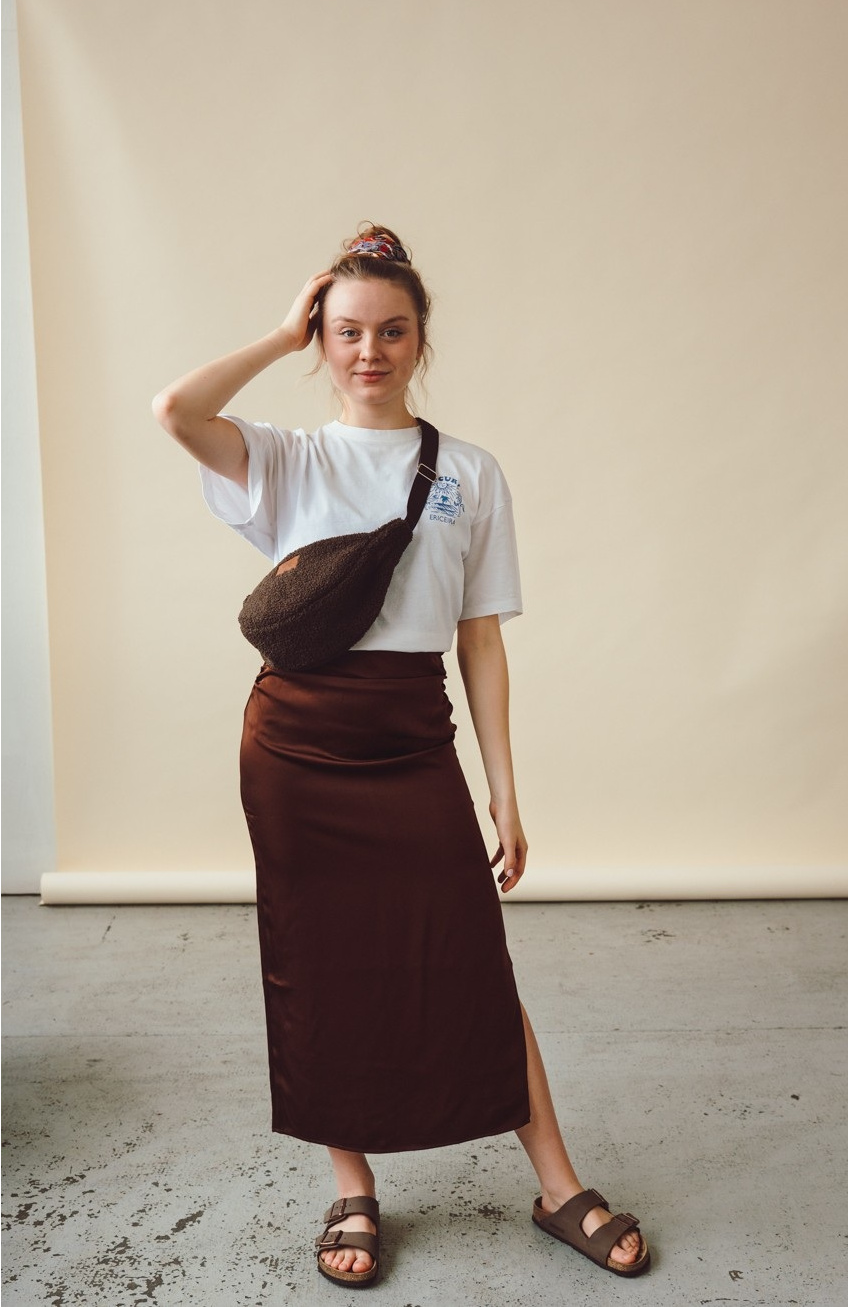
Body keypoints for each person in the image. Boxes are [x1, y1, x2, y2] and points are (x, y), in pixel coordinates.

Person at [152, 225, 651, 1287]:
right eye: (344, 332)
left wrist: (504, 792)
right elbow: (175, 411)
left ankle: (557, 1184)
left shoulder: (469, 472)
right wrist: (279, 332)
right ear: (321, 341)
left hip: (412, 737)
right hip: (296, 745)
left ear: (422, 339)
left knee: (473, 958)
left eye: (391, 330)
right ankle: (353, 1187)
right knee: (319, 960)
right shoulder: (287, 458)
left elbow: (481, 642)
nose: (368, 351)